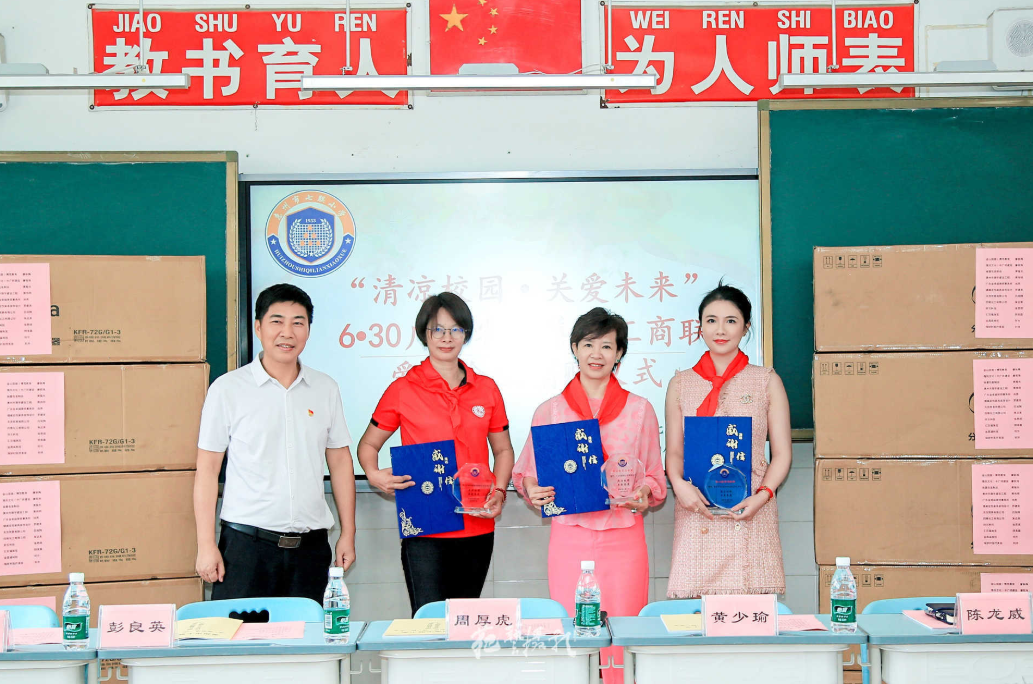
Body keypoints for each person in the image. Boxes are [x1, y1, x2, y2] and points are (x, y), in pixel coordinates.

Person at [513, 307, 666, 684]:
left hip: (623, 537)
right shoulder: (550, 411)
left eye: (607, 346)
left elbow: (653, 474)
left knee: (623, 628)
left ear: (619, 353)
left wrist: (645, 491)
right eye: (588, 344)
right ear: (574, 348)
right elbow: (526, 473)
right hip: (571, 535)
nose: (596, 354)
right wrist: (532, 489)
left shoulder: (640, 410)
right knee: (571, 628)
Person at [193, 283, 356, 603]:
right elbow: (208, 470)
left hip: (310, 550)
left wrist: (348, 533)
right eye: (277, 321)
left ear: (308, 330)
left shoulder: (325, 388)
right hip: (245, 549)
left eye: (298, 322)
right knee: (238, 635)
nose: (287, 332)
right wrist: (206, 544)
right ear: (258, 327)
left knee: (309, 635)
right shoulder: (227, 389)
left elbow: (340, 462)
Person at [357, 292, 514, 615]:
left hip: (477, 523)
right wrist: (373, 474)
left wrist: (499, 491)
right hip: (425, 524)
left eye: (455, 329)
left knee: (465, 621)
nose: (446, 338)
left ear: (465, 334)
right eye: (438, 329)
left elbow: (503, 449)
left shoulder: (486, 388)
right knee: (428, 622)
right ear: (424, 334)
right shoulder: (403, 389)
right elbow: (368, 445)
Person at [665, 282, 790, 597]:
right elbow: (675, 451)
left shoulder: (766, 381)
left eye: (731, 321)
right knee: (696, 612)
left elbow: (782, 454)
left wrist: (762, 496)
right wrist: (679, 486)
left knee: (751, 612)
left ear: (746, 327)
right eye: (711, 320)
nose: (720, 330)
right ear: (700, 327)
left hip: (752, 509)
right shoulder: (681, 384)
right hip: (697, 508)